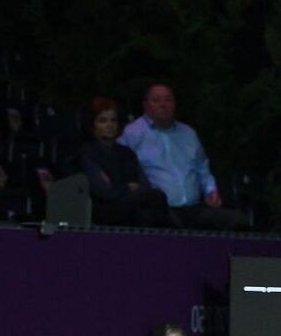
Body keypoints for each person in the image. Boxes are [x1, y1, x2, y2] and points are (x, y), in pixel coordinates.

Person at [118, 83, 241, 230]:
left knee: (235, 220)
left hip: (194, 209)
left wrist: (210, 190)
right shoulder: (132, 133)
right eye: (157, 100)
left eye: (168, 100)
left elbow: (202, 168)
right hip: (159, 211)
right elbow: (119, 164)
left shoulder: (188, 133)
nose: (163, 105)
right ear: (145, 105)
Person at [79, 95, 170, 227]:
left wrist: (128, 188)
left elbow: (144, 184)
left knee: (156, 198)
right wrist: (128, 187)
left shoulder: (127, 153)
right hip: (104, 209)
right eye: (102, 121)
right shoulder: (87, 153)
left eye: (113, 120)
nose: (109, 125)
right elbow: (102, 190)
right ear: (92, 125)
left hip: (131, 203)